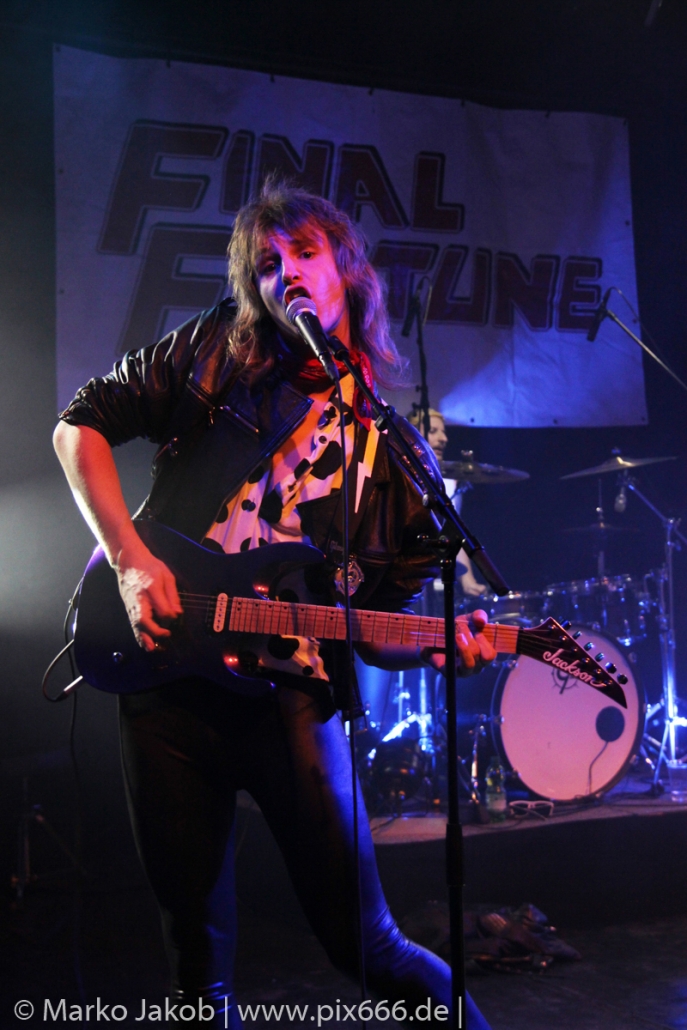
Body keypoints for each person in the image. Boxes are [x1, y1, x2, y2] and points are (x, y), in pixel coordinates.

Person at [53, 181, 495, 1029]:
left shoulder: (397, 458)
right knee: (195, 964)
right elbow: (78, 428)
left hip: (292, 697)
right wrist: (132, 562)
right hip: (166, 678)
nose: (283, 271)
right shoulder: (213, 351)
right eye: (264, 263)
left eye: (303, 252)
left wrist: (438, 645)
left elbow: (373, 631)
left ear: (345, 271)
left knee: (367, 945)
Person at [406, 407, 486, 598]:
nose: (444, 439)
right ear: (412, 436)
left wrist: (468, 580)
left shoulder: (449, 483)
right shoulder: (400, 475)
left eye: (444, 432)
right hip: (406, 577)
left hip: (436, 582)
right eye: (433, 431)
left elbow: (451, 532)